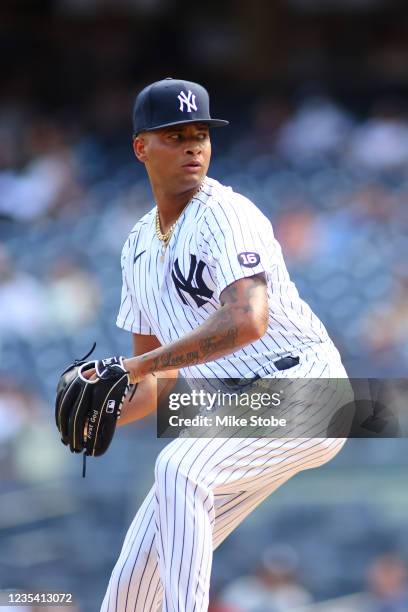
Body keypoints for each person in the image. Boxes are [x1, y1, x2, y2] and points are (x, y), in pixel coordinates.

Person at [100, 78, 352, 612]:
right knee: (130, 588)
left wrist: (140, 363)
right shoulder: (137, 247)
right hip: (238, 415)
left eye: (201, 134)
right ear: (141, 147)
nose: (193, 145)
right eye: (174, 135)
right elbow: (155, 384)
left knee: (180, 468)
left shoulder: (226, 214)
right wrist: (105, 414)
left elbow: (248, 320)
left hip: (307, 387)